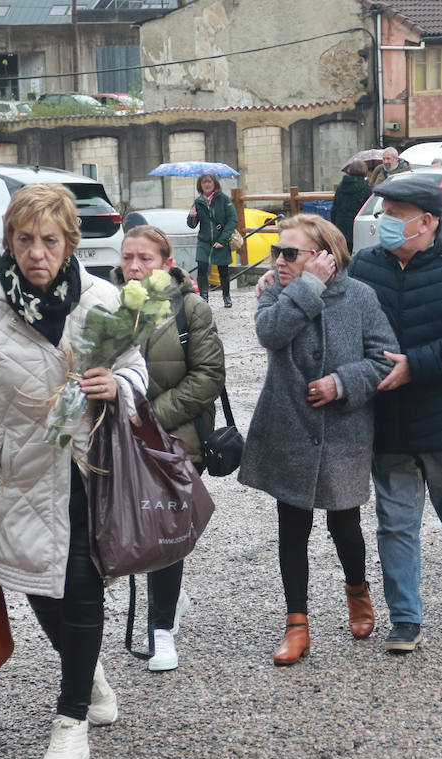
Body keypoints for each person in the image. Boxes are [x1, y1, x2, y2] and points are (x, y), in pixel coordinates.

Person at [0, 183, 148, 759]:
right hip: (19, 473)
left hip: (90, 472)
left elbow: (138, 372)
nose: (37, 252)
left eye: (50, 241)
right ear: (10, 241)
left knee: (80, 589)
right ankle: (91, 675)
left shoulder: (103, 298)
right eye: (25, 240)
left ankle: (71, 721)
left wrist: (121, 387)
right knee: (38, 585)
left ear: (69, 243)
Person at [347, 173, 442, 653]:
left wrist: (417, 366)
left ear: (428, 221)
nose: (383, 223)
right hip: (388, 420)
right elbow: (340, 321)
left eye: (394, 216)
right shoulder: (365, 267)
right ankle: (405, 618)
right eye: (382, 214)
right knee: (395, 522)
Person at [239, 214, 397, 665]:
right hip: (289, 427)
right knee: (292, 528)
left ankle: (358, 592)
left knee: (344, 525)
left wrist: (342, 384)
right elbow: (270, 333)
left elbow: (384, 360)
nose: (279, 260)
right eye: (276, 252)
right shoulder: (276, 290)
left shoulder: (360, 296)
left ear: (323, 255)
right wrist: (304, 288)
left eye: (290, 253)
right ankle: (296, 624)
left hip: (344, 431)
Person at [110, 225, 225, 671]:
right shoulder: (108, 305)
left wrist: (150, 417)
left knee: (164, 534)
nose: (135, 267)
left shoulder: (190, 309)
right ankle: (168, 603)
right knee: (126, 530)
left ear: (167, 263)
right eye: (127, 258)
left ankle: (159, 630)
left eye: (145, 259)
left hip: (175, 442)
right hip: (119, 440)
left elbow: (209, 376)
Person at [186, 172, 237, 309]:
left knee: (223, 270)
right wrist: (192, 217)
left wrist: (222, 240)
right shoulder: (198, 202)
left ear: (214, 183)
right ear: (200, 186)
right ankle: (204, 298)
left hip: (221, 240)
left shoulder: (223, 199)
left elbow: (233, 220)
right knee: (202, 269)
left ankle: (226, 296)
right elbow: (192, 225)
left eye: (209, 181)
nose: (207, 184)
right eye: (204, 182)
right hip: (204, 241)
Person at [331, 160, 372, 250]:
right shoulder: (365, 187)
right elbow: (370, 207)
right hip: (357, 225)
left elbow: (335, 207)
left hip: (341, 224)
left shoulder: (342, 186)